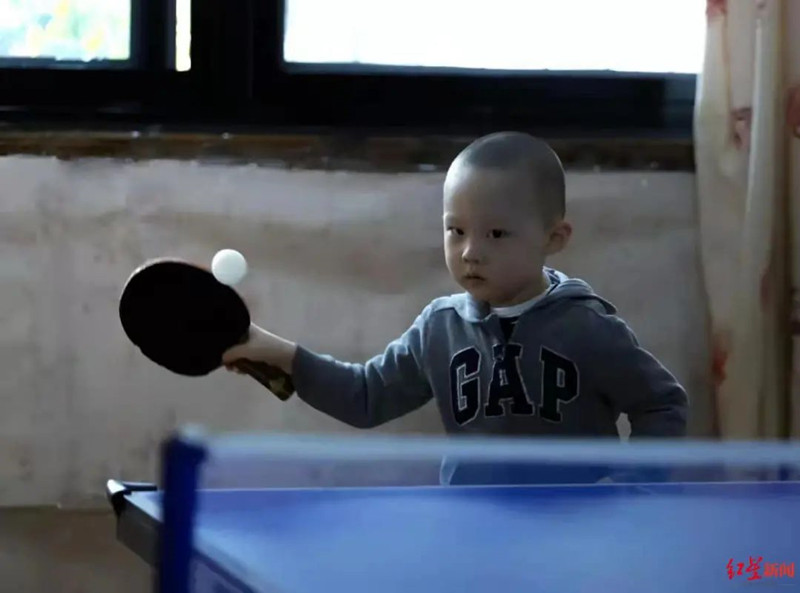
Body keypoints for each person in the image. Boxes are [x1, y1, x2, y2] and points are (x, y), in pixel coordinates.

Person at [223, 131, 689, 485]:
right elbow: (365, 397)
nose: (470, 252)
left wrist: (632, 491)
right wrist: (274, 351)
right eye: (455, 231)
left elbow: (663, 404)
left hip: (580, 538)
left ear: (554, 238)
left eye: (496, 234)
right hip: (471, 534)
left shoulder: (587, 326)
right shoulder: (439, 328)